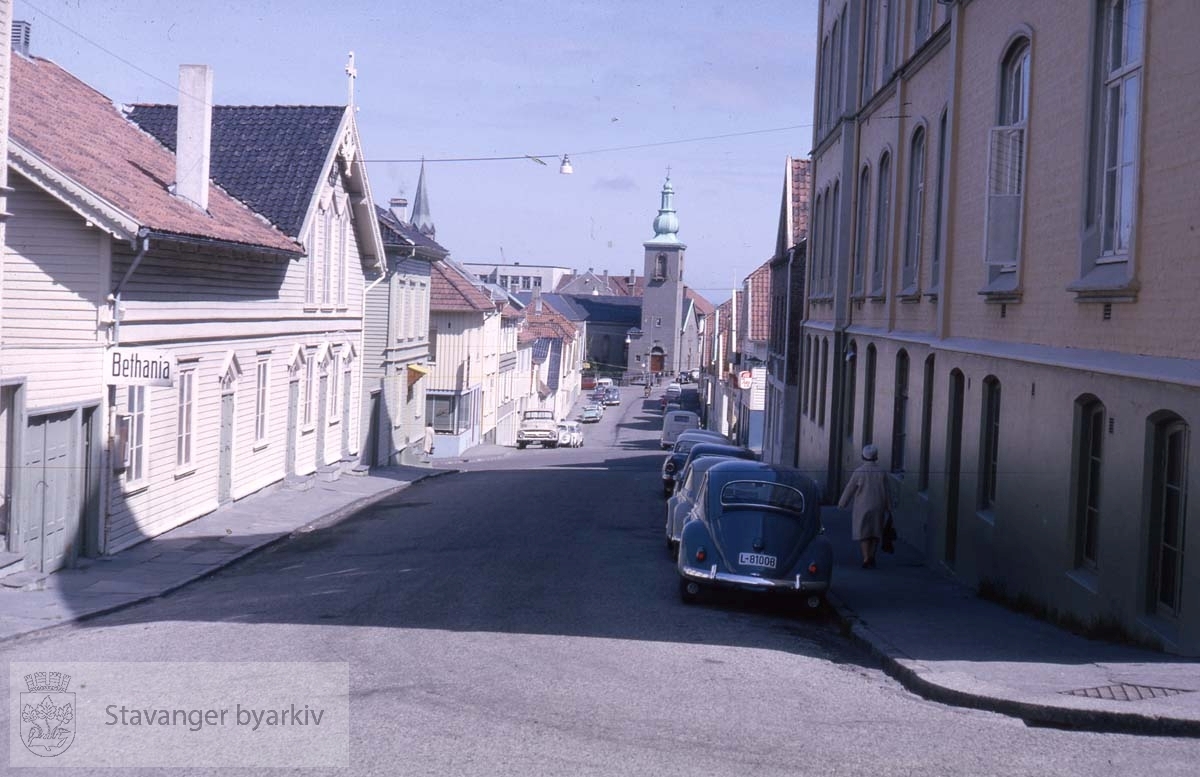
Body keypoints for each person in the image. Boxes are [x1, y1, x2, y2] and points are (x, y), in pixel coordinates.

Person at [837, 444, 892, 569]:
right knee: (875, 531)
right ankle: (872, 555)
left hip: (863, 506)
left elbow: (849, 488)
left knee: (864, 532)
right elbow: (887, 490)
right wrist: (889, 506)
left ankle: (866, 557)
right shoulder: (882, 472)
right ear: (876, 456)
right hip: (879, 505)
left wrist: (842, 503)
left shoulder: (859, 472)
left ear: (863, 456)